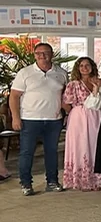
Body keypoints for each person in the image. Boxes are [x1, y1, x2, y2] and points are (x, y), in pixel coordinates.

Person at [10, 42, 68, 195]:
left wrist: (69, 114)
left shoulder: (61, 73)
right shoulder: (25, 73)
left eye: (45, 52)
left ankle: (52, 181)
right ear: (34, 55)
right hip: (29, 119)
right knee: (27, 152)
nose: (42, 56)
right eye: (38, 53)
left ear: (51, 54)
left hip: (54, 120)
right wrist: (15, 118)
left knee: (52, 152)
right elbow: (14, 96)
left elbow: (65, 97)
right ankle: (26, 184)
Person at [60, 56, 101, 191]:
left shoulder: (100, 81)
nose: (84, 68)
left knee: (95, 144)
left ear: (92, 67)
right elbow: (65, 103)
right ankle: (81, 179)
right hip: (79, 117)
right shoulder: (73, 84)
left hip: (96, 115)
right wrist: (76, 113)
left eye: (87, 65)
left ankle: (96, 179)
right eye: (81, 66)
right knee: (80, 145)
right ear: (77, 68)